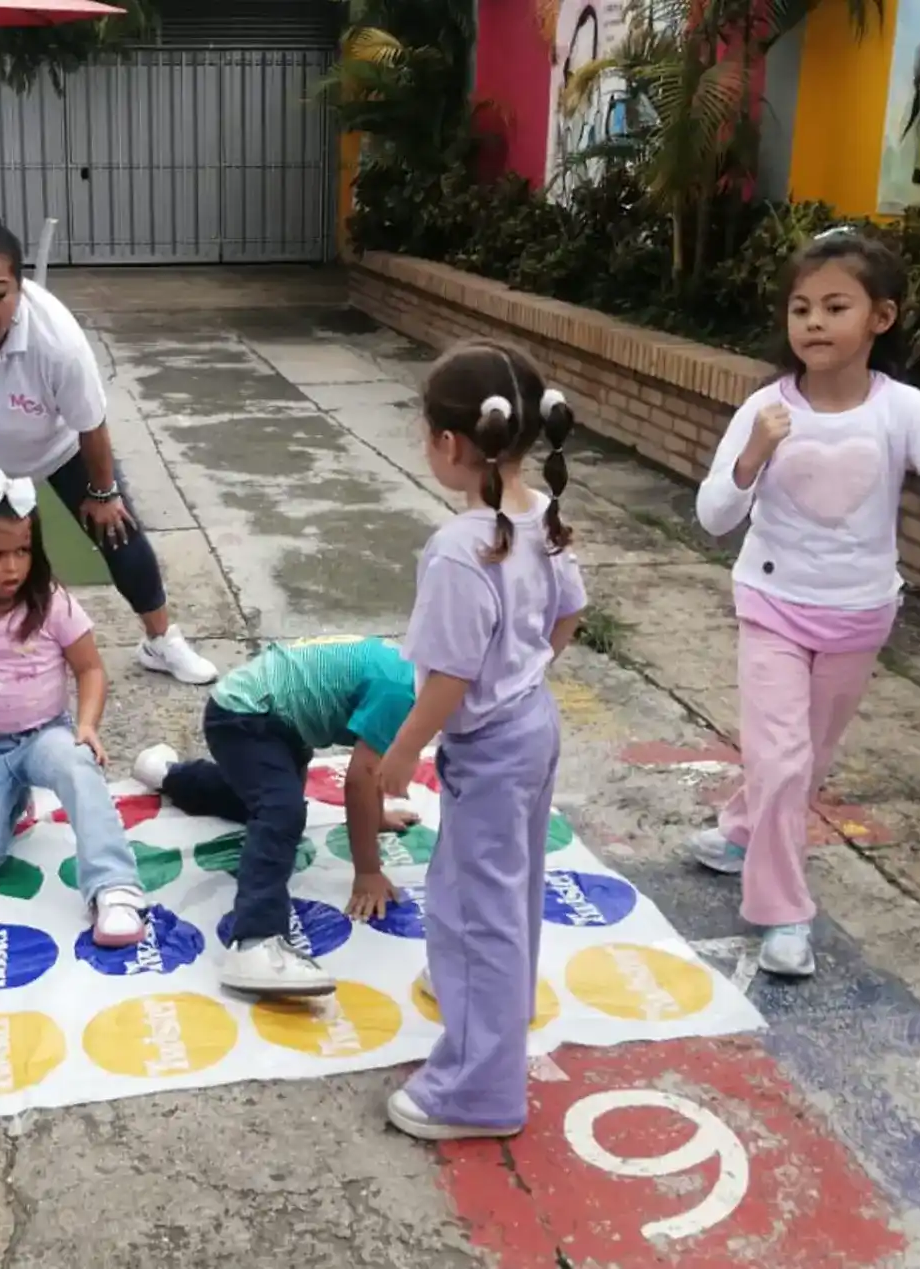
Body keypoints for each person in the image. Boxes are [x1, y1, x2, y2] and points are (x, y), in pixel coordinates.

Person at [690, 227, 920, 979]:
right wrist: (753, 456)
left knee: (805, 761)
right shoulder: (765, 407)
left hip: (858, 615)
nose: (813, 322)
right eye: (800, 308)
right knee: (780, 756)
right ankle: (784, 910)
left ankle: (744, 826)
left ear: (880, 318)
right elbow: (714, 516)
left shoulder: (903, 411)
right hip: (771, 605)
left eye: (834, 306)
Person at [375, 340, 587, 1142]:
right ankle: (492, 1012)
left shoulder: (459, 549)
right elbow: (566, 616)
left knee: (473, 910)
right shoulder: (543, 517)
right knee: (509, 896)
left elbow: (451, 677)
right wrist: (524, 668)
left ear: (451, 445)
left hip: (492, 745)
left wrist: (403, 752)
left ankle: (477, 1088)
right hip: (532, 727)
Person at [0, 198, 218, 687]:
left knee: (118, 530)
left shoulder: (55, 338)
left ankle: (161, 639)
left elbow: (91, 422)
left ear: (21, 291)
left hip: (57, 448)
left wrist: (103, 495)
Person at [0, 468, 148, 947]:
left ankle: (114, 886)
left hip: (47, 733)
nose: (12, 567)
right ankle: (11, 799)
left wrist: (85, 725)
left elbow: (90, 669)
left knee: (76, 763)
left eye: (22, 551)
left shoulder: (51, 603)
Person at [131, 636, 422, 996]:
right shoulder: (401, 690)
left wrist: (374, 816)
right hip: (246, 716)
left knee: (259, 801)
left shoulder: (414, 673)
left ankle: (166, 774)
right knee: (281, 811)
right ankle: (255, 942)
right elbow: (361, 779)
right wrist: (368, 871)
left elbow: (374, 760)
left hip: (277, 722)